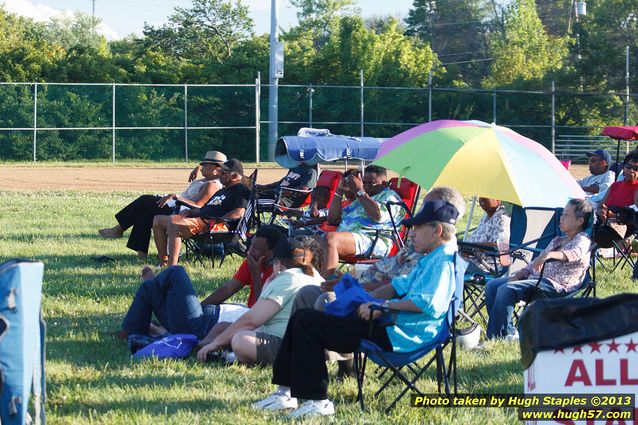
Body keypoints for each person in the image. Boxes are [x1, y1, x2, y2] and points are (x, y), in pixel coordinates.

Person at [253, 199, 461, 417]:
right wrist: (362, 298)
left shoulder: (443, 262)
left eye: (418, 227)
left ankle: (318, 401)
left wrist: (383, 307)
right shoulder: (431, 258)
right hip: (387, 322)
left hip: (399, 333)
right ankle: (285, 393)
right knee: (303, 317)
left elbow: (428, 304)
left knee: (307, 322)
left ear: (437, 230)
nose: (412, 233)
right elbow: (394, 286)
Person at [120, 225, 285, 341]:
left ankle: (156, 286)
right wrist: (198, 308)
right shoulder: (253, 261)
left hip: (204, 327)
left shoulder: (281, 275)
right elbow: (228, 289)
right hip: (201, 318)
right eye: (252, 245)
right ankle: (132, 329)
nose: (250, 251)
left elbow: (259, 312)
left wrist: (256, 274)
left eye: (257, 249)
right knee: (148, 288)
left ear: (272, 252)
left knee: (176, 272)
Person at [196, 238, 324, 365]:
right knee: (224, 328)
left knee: (240, 340)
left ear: (278, 263)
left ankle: (225, 355)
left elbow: (252, 320)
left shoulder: (287, 278)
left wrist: (216, 343)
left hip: (288, 345)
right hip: (313, 344)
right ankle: (202, 346)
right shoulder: (314, 276)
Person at [484, 198, 593, 340]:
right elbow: (535, 263)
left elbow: (574, 254)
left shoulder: (582, 240)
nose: (561, 218)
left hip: (556, 286)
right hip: (536, 279)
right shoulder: (558, 240)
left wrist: (549, 255)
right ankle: (506, 332)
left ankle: (500, 336)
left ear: (580, 221)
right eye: (562, 214)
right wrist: (521, 274)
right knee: (492, 285)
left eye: (566, 215)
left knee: (506, 289)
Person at [98, 151, 226, 259]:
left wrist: (176, 197)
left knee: (144, 200)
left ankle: (119, 229)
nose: (202, 166)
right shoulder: (206, 179)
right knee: (144, 213)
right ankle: (141, 254)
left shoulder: (212, 185)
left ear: (217, 168)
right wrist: (198, 168)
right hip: (174, 207)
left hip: (181, 213)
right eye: (202, 164)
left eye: (205, 164)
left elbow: (198, 206)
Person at [153, 158, 250, 266]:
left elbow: (239, 212)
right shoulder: (222, 191)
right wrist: (192, 213)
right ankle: (163, 262)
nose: (219, 174)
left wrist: (217, 220)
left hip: (214, 225)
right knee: (158, 220)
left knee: (173, 224)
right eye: (219, 171)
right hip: (200, 219)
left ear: (234, 176)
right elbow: (205, 208)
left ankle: (172, 268)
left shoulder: (241, 190)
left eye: (223, 172)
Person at [321, 165, 401, 277]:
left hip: (374, 239)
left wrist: (360, 191)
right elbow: (333, 219)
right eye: (364, 183)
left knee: (330, 239)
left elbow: (378, 216)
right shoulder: (365, 197)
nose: (366, 187)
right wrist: (339, 190)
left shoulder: (390, 197)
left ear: (383, 183)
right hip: (351, 237)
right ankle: (333, 278)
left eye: (370, 184)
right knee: (311, 241)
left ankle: (323, 284)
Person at [462, 197, 511, 275]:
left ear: (498, 200)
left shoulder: (502, 217)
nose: (482, 199)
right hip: (471, 259)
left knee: (451, 265)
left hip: (486, 266)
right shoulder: (486, 216)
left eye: (487, 196)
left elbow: (502, 246)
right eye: (481, 196)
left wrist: (474, 247)